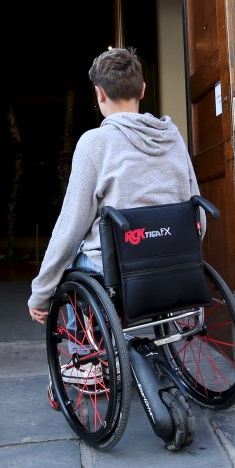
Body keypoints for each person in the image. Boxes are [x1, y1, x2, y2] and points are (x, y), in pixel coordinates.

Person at [27, 47, 203, 325]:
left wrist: (41, 292)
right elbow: (197, 210)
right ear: (143, 90)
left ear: (99, 93)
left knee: (71, 265)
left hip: (117, 269)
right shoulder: (172, 137)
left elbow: (71, 226)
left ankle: (85, 362)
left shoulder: (94, 143)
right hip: (174, 260)